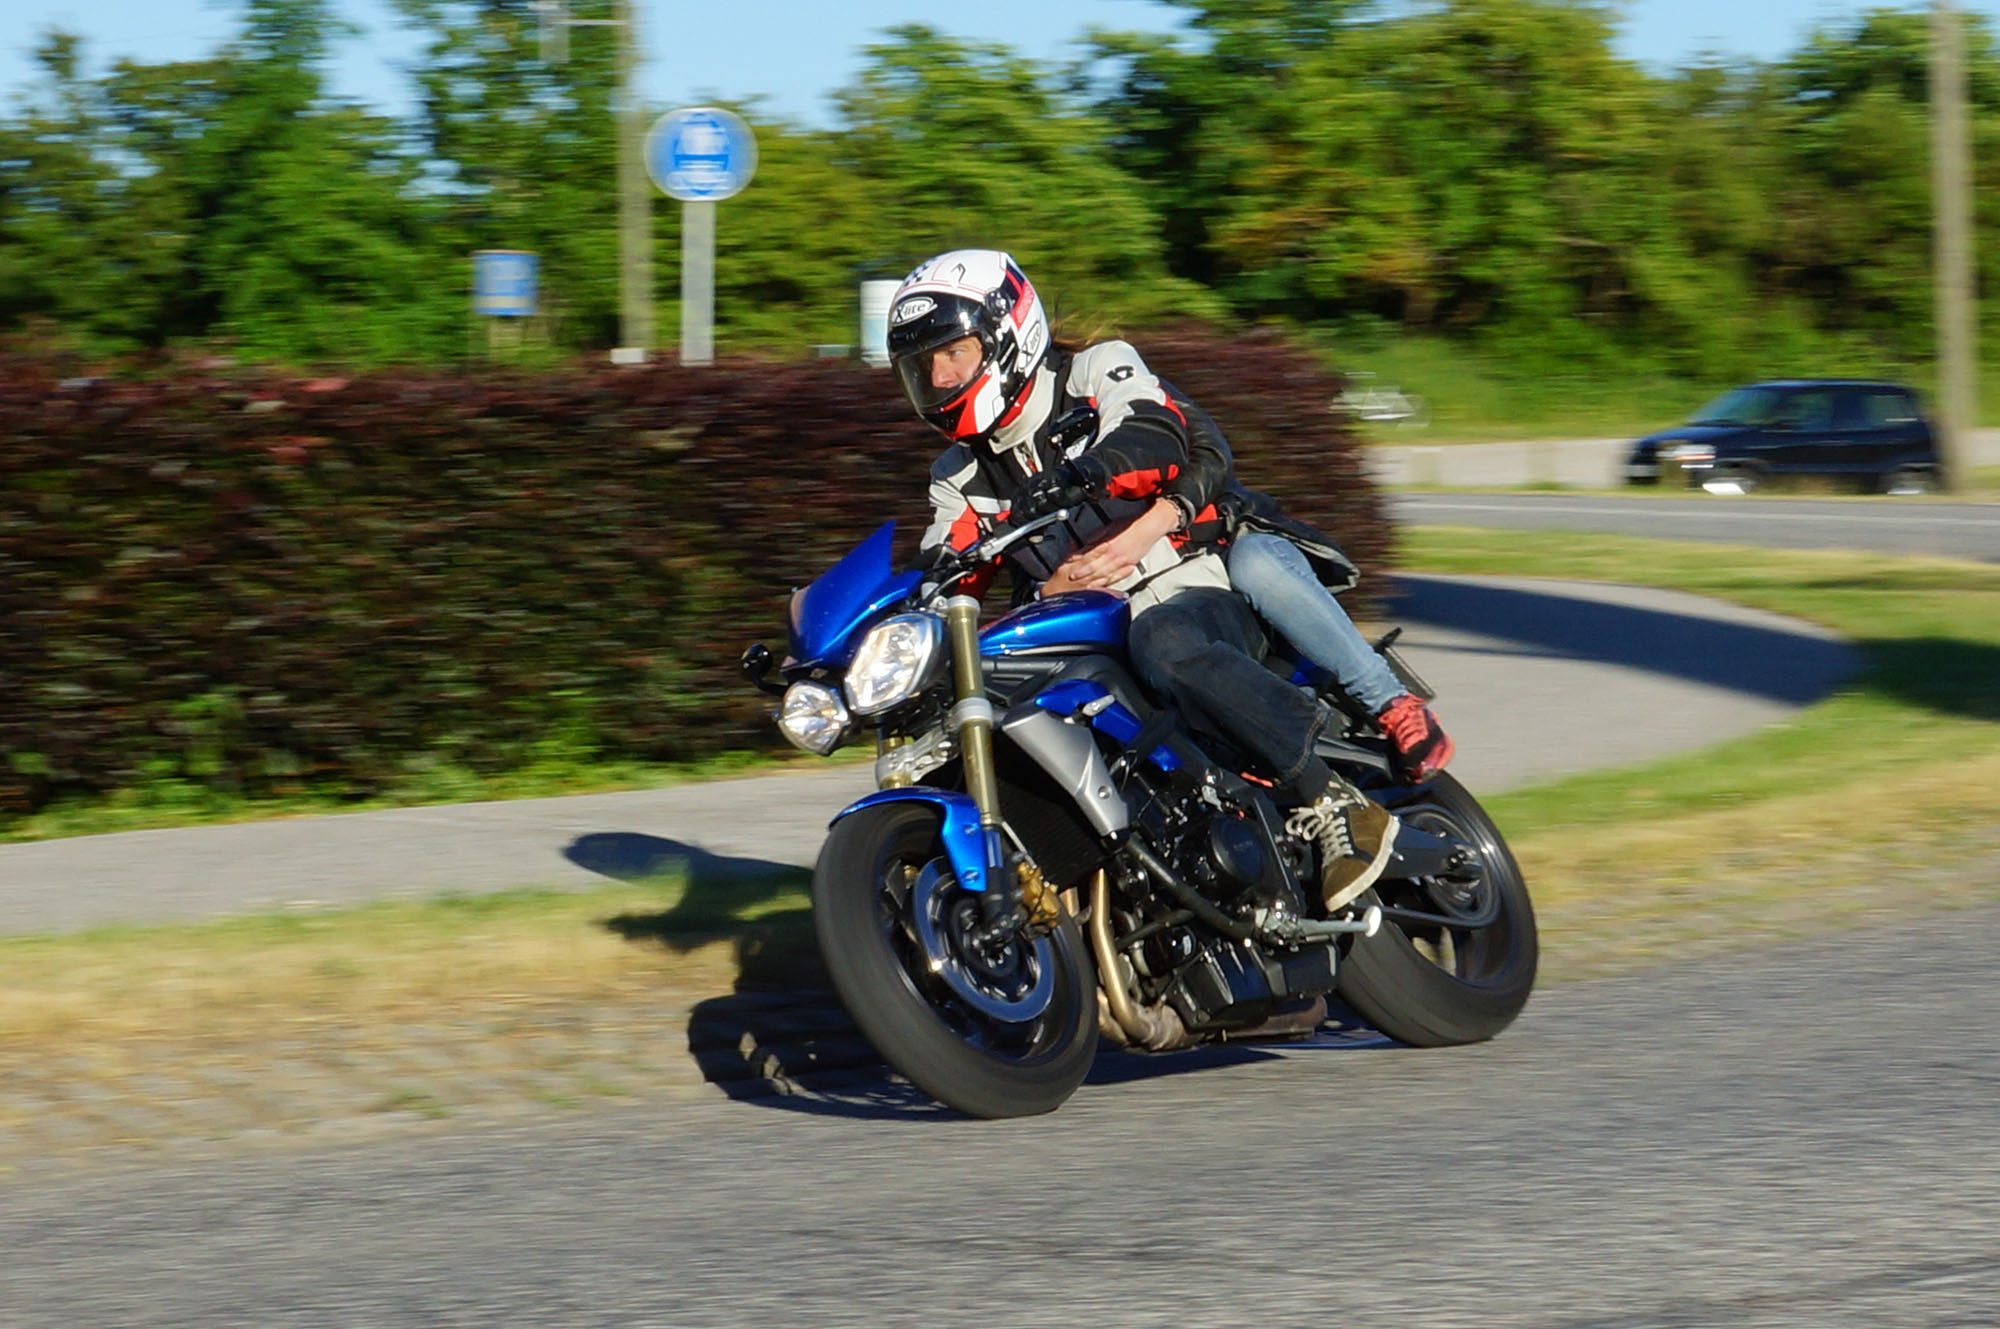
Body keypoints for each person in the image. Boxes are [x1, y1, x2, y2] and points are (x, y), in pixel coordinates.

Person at [885, 248, 1402, 910]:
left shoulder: (1093, 372)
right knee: (1009, 713)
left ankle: (1331, 799)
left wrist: (1083, 474)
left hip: (1195, 596)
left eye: (953, 353)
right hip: (1093, 640)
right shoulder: (956, 476)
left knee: (1159, 638)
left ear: (1007, 333)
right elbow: (941, 570)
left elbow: (1155, 434)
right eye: (922, 366)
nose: (939, 376)